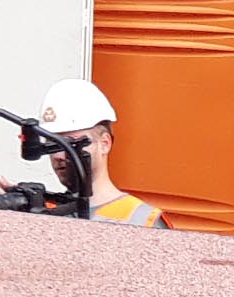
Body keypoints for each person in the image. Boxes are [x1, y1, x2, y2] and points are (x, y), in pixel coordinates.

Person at [9, 78, 168, 227]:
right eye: (52, 144)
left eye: (71, 144)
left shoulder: (143, 220)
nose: (58, 155)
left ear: (104, 144)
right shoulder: (45, 212)